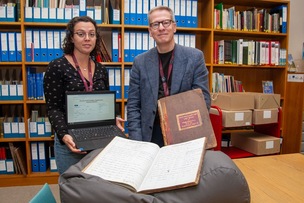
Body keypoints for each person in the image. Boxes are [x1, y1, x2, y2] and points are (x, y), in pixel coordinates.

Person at [43, 16, 124, 174]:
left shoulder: (101, 69)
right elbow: (53, 108)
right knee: (72, 190)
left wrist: (111, 118)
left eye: (92, 34)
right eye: (81, 34)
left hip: (99, 137)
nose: (87, 38)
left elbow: (102, 102)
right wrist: (64, 135)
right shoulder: (57, 67)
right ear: (72, 38)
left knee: (98, 189)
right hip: (70, 139)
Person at [127, 6, 211, 147]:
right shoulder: (140, 62)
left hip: (185, 133)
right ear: (150, 31)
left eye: (166, 22)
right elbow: (133, 106)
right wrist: (137, 143)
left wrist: (186, 132)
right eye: (155, 24)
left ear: (174, 27)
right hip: (151, 136)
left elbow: (203, 100)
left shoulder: (195, 57)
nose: (161, 28)